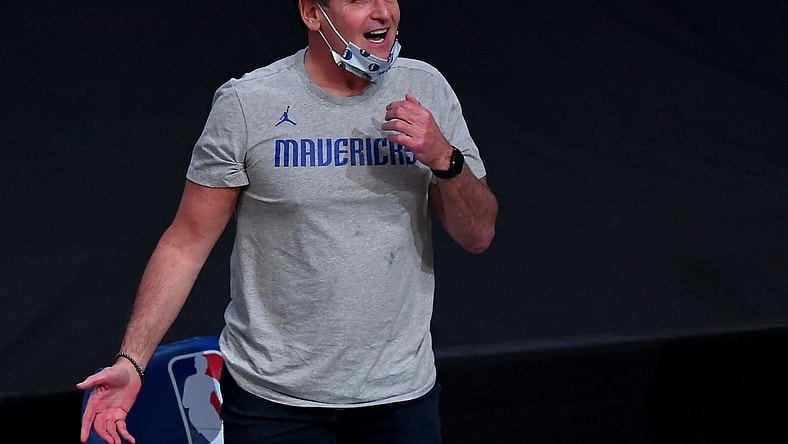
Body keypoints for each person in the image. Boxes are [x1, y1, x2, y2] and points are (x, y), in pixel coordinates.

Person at [77, 0, 498, 443]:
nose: (382, 12)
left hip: (400, 400)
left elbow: (478, 235)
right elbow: (186, 244)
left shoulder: (426, 88)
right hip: (272, 404)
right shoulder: (248, 103)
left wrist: (445, 159)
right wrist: (132, 361)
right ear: (312, 13)